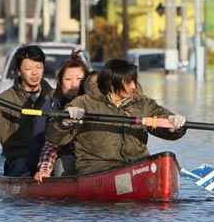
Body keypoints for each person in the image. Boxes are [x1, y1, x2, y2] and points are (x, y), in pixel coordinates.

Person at [45, 58, 187, 176]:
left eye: (134, 81)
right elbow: (54, 137)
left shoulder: (143, 103)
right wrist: (65, 122)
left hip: (136, 167)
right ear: (112, 83)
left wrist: (174, 125)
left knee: (166, 157)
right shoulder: (83, 103)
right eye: (128, 82)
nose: (133, 86)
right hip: (97, 170)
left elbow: (164, 121)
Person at [0, 45, 54, 177]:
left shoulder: (53, 96)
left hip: (47, 158)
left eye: (39, 67)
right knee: (20, 167)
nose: (35, 73)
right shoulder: (5, 99)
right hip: (19, 158)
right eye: (28, 69)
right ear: (18, 71)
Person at [34, 53, 91, 183]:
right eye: (68, 79)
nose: (74, 85)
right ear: (60, 82)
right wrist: (44, 170)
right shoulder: (51, 105)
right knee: (62, 165)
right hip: (65, 157)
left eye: (79, 79)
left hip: (93, 159)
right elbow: (51, 143)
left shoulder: (96, 103)